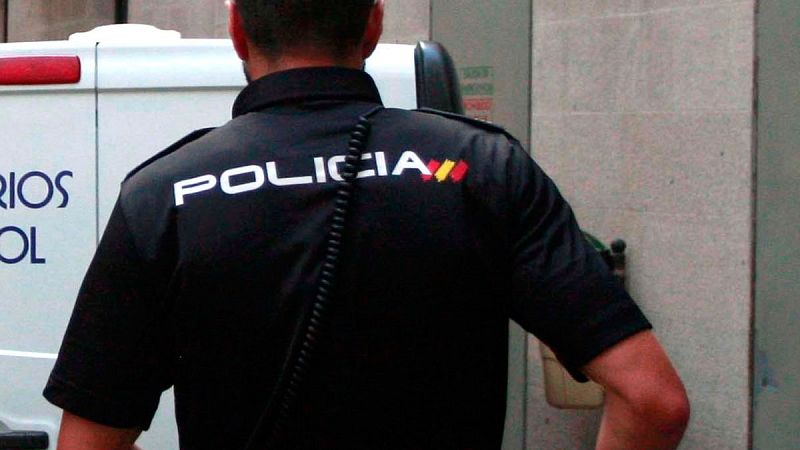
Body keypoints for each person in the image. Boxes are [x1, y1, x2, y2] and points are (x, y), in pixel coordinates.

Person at [44, 0, 690, 449]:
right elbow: (653, 402)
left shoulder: (164, 195)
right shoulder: (482, 167)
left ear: (238, 29)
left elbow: (87, 444)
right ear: (374, 24)